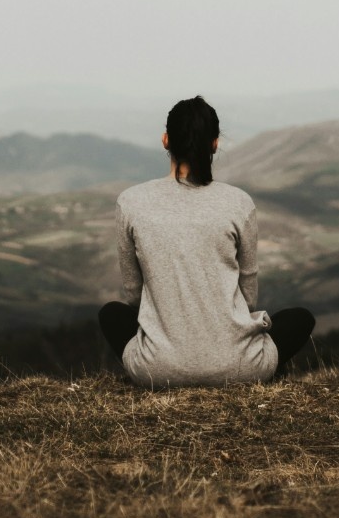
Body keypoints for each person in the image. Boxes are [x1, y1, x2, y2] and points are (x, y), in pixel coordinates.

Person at [99, 95, 315, 387]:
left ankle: (168, 362)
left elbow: (133, 294)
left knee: (111, 314)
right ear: (215, 144)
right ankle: (243, 367)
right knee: (299, 318)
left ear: (165, 140)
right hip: (241, 368)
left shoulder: (131, 202)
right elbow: (248, 294)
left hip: (157, 370)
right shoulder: (239, 202)